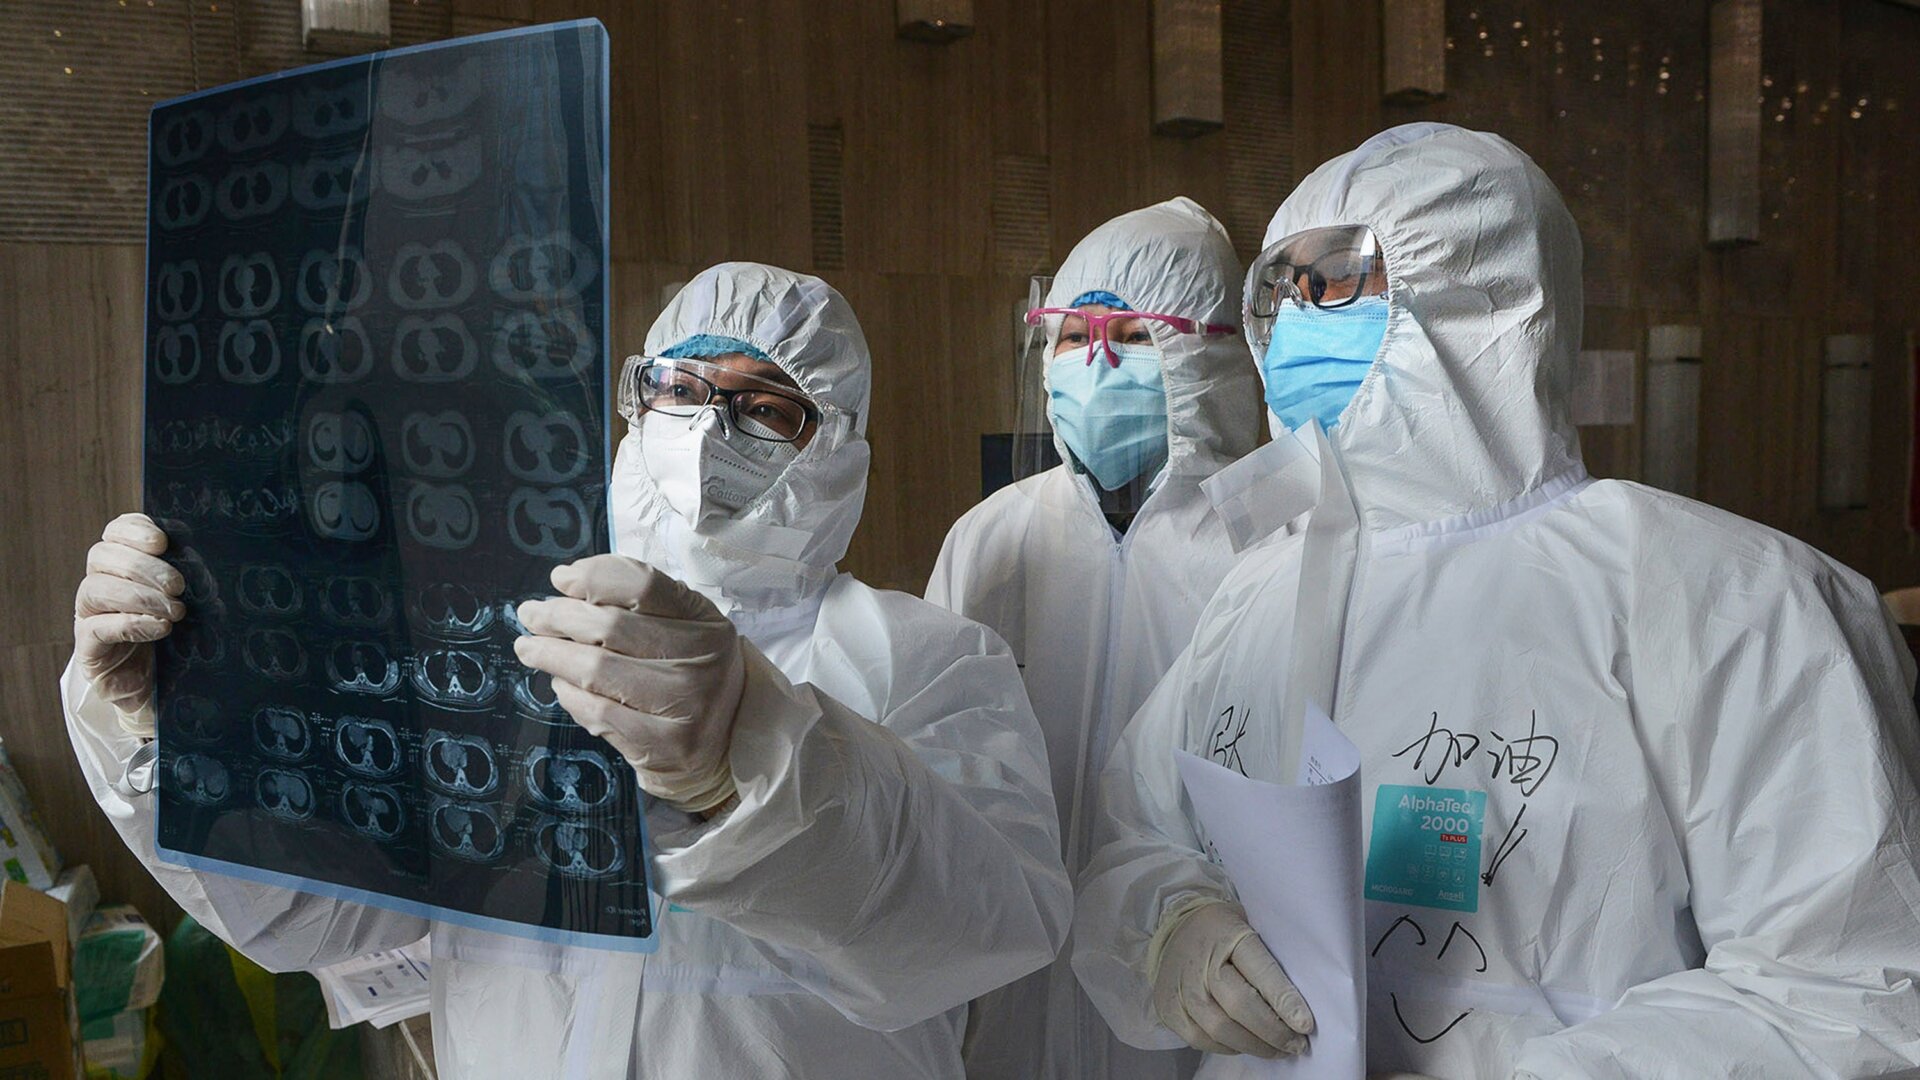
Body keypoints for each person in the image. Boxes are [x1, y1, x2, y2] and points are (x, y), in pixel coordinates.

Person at [66, 261, 1072, 1078]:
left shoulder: (928, 659)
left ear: (838, 443)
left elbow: (982, 932)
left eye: (763, 406)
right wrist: (187, 729)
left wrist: (749, 757)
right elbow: (317, 914)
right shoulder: (497, 639)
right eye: (677, 390)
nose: (706, 425)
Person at [1074, 122, 1920, 1078]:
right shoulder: (1259, 593)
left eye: (1337, 282)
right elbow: (1138, 831)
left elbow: (1853, 991)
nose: (1300, 322)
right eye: (1281, 291)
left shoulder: (1726, 601)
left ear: (1479, 293)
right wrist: (1176, 924)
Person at [925, 196, 1259, 1079]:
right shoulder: (993, 539)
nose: (1094, 363)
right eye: (1072, 337)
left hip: (1201, 1007)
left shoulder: (1272, 543)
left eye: (1135, 336)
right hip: (1010, 1007)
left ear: (1212, 353)